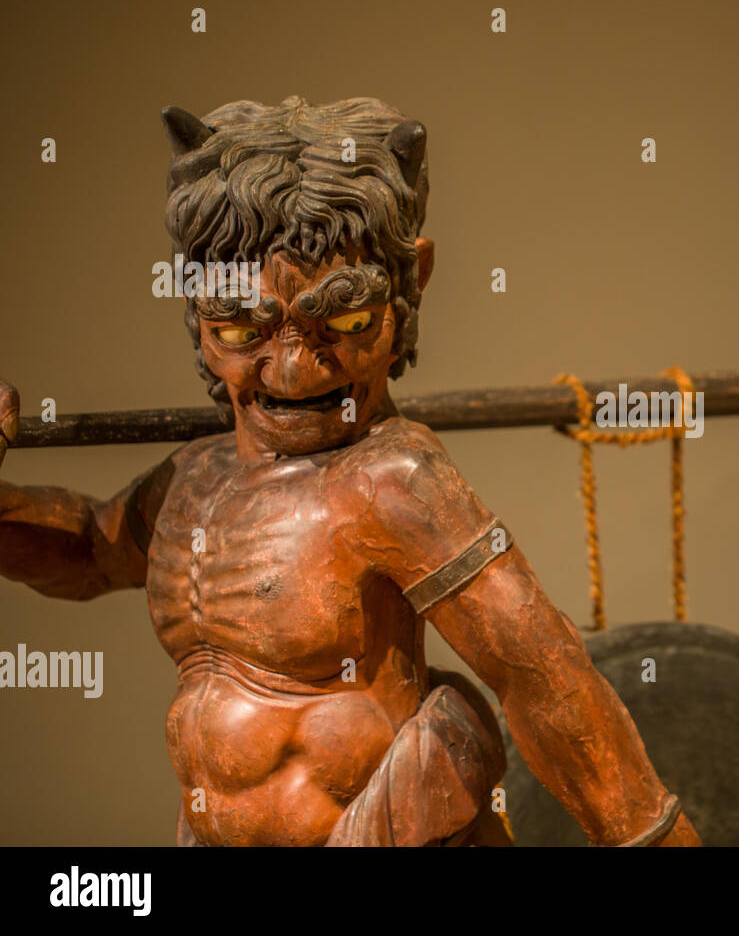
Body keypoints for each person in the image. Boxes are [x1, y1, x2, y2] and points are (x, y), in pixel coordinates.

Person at [0, 96, 699, 847]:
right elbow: (88, 551)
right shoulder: (192, 482)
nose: (296, 371)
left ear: (411, 284)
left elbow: (541, 676)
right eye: (242, 330)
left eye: (347, 325)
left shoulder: (392, 482)